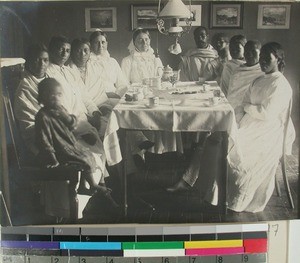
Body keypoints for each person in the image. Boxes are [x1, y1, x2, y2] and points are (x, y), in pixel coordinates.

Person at [227, 42, 295, 212]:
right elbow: (244, 102)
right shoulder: (258, 79)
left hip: (269, 131)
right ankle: (222, 196)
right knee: (223, 142)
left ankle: (238, 199)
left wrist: (249, 108)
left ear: (278, 60)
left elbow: (266, 113)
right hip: (251, 124)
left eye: (268, 58)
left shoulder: (280, 84)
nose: (263, 61)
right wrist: (242, 117)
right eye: (262, 58)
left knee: (238, 152)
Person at [35, 78, 114, 200]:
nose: (56, 98)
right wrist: (53, 159)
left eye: (59, 94)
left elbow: (72, 125)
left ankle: (83, 186)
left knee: (88, 154)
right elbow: (45, 141)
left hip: (69, 144)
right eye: (52, 95)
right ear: (43, 97)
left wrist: (66, 117)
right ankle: (93, 185)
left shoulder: (61, 110)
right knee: (83, 160)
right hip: (59, 150)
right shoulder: (43, 116)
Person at [121, 28, 183, 155]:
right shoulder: (127, 60)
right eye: (140, 40)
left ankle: (162, 151)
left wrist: (166, 78)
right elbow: (124, 84)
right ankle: (142, 152)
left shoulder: (156, 59)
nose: (144, 43)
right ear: (134, 42)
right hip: (138, 96)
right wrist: (136, 93)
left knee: (166, 112)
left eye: (146, 39)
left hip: (156, 95)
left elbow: (162, 79)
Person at [227, 40, 264, 111]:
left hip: (253, 108)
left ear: (260, 53)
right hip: (234, 107)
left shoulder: (263, 72)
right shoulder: (237, 71)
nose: (249, 55)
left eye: (253, 52)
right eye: (247, 52)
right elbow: (232, 95)